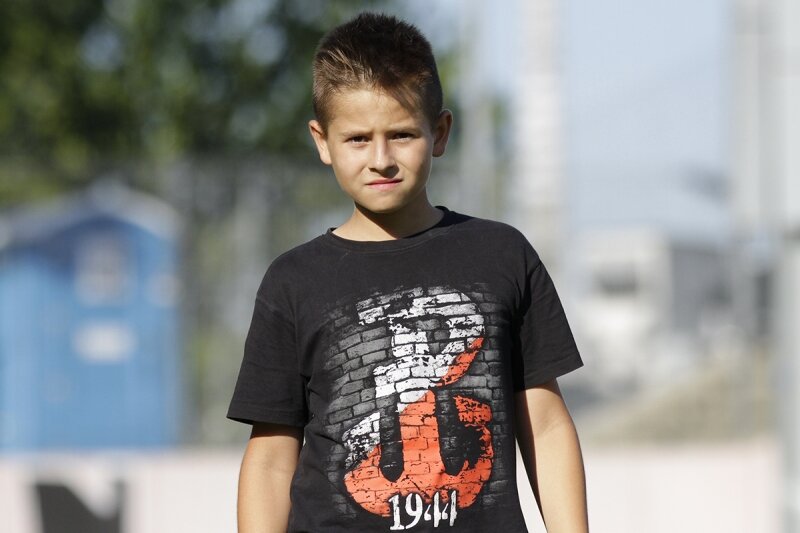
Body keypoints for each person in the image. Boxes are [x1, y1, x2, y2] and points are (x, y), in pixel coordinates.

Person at [228, 12, 588, 533]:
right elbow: (269, 459)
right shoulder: (293, 281)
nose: (381, 159)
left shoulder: (502, 255)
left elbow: (547, 426)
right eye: (357, 139)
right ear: (322, 141)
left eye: (401, 134)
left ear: (439, 132)